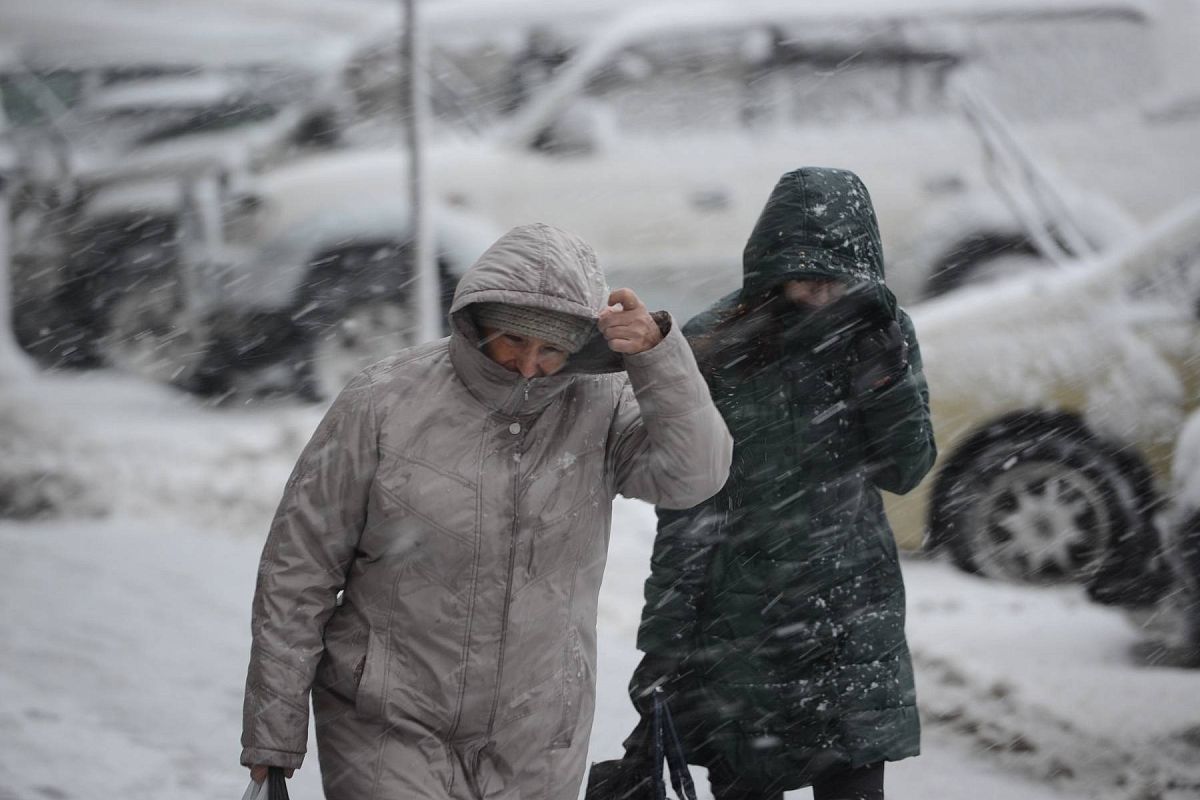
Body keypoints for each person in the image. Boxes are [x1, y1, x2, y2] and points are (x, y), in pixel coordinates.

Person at [240, 223, 733, 799]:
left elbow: (696, 475)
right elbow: (299, 570)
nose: (528, 366)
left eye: (550, 349)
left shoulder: (598, 406)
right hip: (387, 719)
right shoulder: (382, 401)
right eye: (512, 341)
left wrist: (658, 360)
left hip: (537, 731)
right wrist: (274, 735)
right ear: (475, 324)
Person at [629, 167, 937, 799]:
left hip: (848, 616)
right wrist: (663, 643)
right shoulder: (715, 346)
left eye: (837, 279)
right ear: (768, 268)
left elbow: (907, 469)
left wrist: (883, 373)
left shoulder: (880, 333)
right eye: (806, 277)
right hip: (740, 622)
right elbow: (688, 505)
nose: (822, 295)